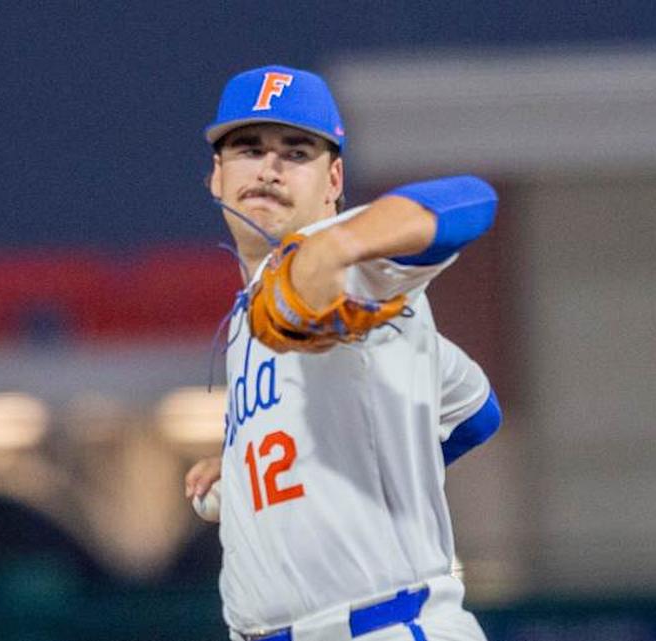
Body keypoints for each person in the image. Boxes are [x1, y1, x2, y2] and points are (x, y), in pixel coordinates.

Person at [184, 64, 503, 641]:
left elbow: (471, 201)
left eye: (297, 152)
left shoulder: (355, 263)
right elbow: (477, 411)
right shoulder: (248, 318)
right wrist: (256, 469)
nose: (270, 168)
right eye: (249, 149)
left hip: (381, 627)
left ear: (334, 181)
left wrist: (340, 247)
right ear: (217, 176)